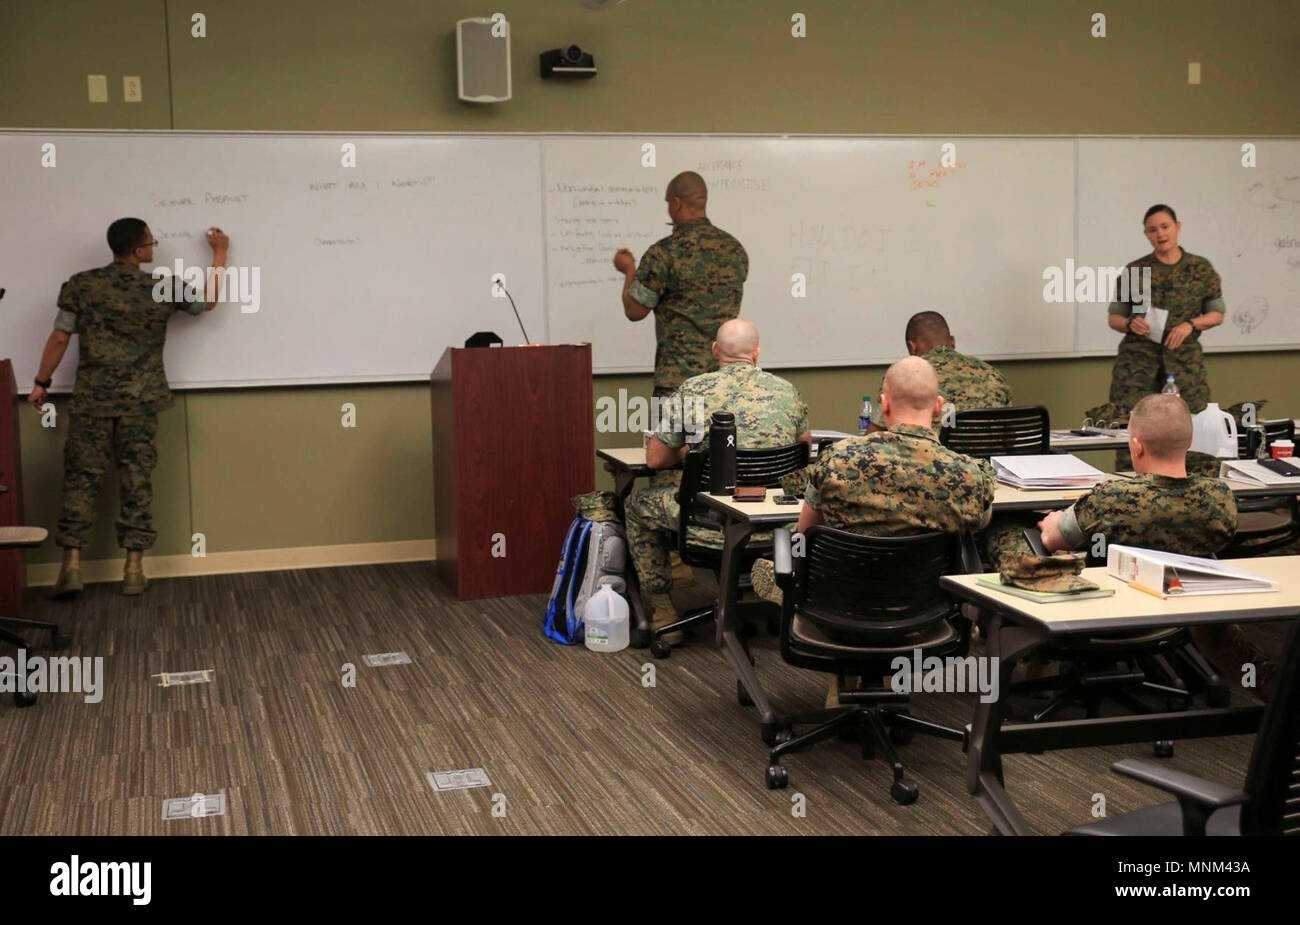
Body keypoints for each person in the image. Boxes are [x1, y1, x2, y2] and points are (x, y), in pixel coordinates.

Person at [752, 357, 997, 704]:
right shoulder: (968, 474)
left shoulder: (838, 459)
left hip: (837, 612)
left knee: (789, 557)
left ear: (883, 404)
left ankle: (839, 664)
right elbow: (982, 522)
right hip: (925, 616)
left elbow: (803, 537)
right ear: (940, 408)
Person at [985, 394, 1265, 689]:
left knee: (1008, 529)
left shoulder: (1111, 497)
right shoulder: (1219, 498)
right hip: (1182, 612)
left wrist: (1051, 521)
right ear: (1190, 440)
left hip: (1103, 614)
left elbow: (1052, 540)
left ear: (1136, 445)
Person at [28, 218, 230, 597]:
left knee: (80, 480)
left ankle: (71, 567)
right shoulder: (161, 287)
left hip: (92, 402)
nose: (154, 247)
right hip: (141, 402)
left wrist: (41, 382)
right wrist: (220, 255)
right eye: (152, 242)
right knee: (136, 481)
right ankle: (134, 569)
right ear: (139, 251)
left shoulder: (82, 285)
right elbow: (207, 303)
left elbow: (59, 337)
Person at [624, 319, 809, 642]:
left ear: (714, 351)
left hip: (710, 525)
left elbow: (655, 459)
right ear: (757, 352)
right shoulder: (786, 391)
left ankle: (663, 609)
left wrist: (690, 453)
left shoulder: (693, 389)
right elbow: (803, 449)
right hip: (777, 527)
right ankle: (756, 591)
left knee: (636, 505)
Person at [612, 171, 748, 399]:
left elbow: (635, 310)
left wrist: (628, 270)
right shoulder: (735, 250)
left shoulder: (664, 252)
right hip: (724, 383)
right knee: (722, 436)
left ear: (675, 203)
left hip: (676, 385)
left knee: (661, 437)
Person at [1106, 204, 1225, 416]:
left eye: (1165, 227)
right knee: (1132, 430)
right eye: (1153, 230)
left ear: (1177, 227)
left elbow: (1216, 314)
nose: (1160, 234)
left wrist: (1190, 324)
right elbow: (1114, 318)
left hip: (1184, 368)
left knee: (1194, 431)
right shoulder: (1135, 270)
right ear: (1146, 234)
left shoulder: (1200, 268)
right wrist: (1129, 323)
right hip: (1137, 370)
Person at [867, 311, 1011, 432]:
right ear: (953, 342)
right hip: (986, 463)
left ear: (913, 347)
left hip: (931, 463)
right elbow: (1010, 432)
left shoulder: (902, 376)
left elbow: (873, 438)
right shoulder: (993, 375)